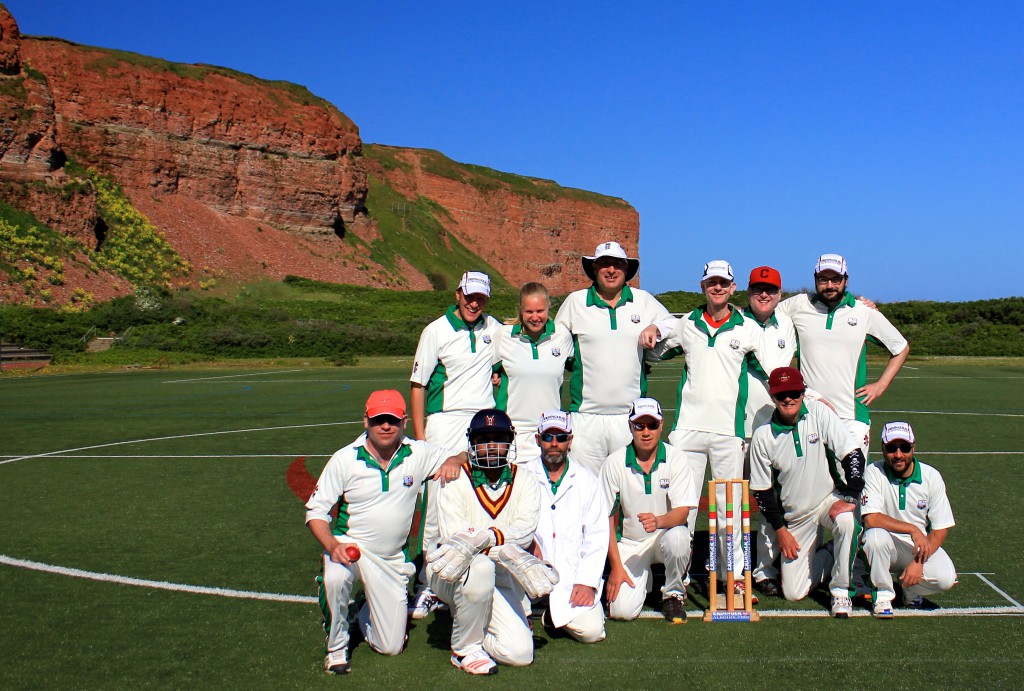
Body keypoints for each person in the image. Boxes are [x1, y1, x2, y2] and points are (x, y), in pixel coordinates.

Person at [305, 390, 466, 675]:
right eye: (378, 420)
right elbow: (316, 511)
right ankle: (336, 649)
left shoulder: (418, 452)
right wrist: (331, 546)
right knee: (335, 577)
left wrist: (454, 460)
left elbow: (462, 453)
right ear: (365, 420)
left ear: (404, 421)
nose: (385, 426)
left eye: (392, 419)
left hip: (391, 560)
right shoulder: (344, 459)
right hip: (349, 548)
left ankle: (363, 609)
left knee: (390, 647)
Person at [645, 260, 763, 601]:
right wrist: (648, 333)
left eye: (723, 282)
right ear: (702, 286)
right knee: (684, 506)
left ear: (732, 286)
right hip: (688, 431)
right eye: (712, 282)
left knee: (731, 509)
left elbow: (772, 371)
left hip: (728, 431)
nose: (718, 287)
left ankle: (735, 580)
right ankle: (676, 582)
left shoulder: (746, 328)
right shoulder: (688, 325)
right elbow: (654, 352)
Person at [426, 409, 556, 675]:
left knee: (520, 654)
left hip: (502, 577)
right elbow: (457, 541)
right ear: (472, 443)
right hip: (452, 573)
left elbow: (525, 531)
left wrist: (486, 537)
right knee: (480, 565)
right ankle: (463, 649)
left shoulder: (526, 480)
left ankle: (470, 619)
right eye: (484, 438)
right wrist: (508, 549)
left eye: (499, 438)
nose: (492, 445)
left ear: (510, 441)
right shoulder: (455, 478)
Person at [409, 270, 503, 619]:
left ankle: (474, 578)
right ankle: (427, 585)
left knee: (482, 498)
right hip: (444, 421)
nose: (473, 302)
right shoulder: (436, 330)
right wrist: (421, 439)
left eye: (480, 297)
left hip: (483, 422)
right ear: (458, 293)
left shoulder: (493, 328)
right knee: (436, 505)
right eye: (469, 295)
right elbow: (418, 384)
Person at [749, 367, 867, 618]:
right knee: (793, 592)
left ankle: (840, 591)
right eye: (782, 395)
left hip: (828, 500)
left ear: (803, 393)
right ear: (773, 397)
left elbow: (852, 453)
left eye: (794, 393)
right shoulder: (762, 436)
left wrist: (851, 496)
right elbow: (762, 492)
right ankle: (832, 552)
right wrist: (781, 532)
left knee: (846, 521)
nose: (788, 399)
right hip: (796, 516)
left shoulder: (819, 413)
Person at [554, 241, 673, 475]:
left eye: (617, 264)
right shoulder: (575, 302)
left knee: (630, 492)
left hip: (630, 418)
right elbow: (555, 347)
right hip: (586, 419)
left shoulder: (643, 300)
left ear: (626, 270)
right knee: (587, 492)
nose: (611, 270)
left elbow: (674, 323)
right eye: (604, 264)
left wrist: (656, 328)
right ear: (594, 269)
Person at [778, 253, 909, 453]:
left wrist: (880, 385)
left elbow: (900, 348)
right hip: (809, 413)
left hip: (852, 417)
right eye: (823, 279)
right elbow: (761, 313)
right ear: (815, 280)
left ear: (845, 280)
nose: (829, 285)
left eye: (836, 279)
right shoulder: (798, 305)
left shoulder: (863, 312)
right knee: (810, 482)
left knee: (851, 483)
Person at [601, 398, 697, 623]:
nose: (646, 432)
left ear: (661, 425)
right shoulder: (614, 463)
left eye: (652, 425)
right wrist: (615, 566)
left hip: (665, 534)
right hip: (631, 544)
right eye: (639, 425)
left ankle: (673, 594)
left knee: (680, 538)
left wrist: (659, 521)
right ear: (630, 426)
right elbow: (605, 518)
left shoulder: (677, 458)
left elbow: (682, 512)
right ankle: (647, 579)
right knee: (621, 612)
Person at [525, 410, 608, 642]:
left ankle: (550, 614)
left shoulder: (587, 481)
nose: (554, 444)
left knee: (592, 632)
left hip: (570, 576)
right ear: (537, 439)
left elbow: (597, 536)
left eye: (560, 438)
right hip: (527, 572)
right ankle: (525, 613)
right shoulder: (521, 476)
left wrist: (587, 582)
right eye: (548, 437)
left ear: (570, 441)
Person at [740, 266, 798, 598]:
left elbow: (787, 368)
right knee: (734, 501)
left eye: (771, 290)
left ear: (779, 294)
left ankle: (763, 568)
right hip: (740, 429)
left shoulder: (786, 323)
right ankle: (731, 568)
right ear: (748, 291)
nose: (765, 295)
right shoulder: (735, 321)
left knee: (770, 501)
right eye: (758, 289)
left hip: (776, 429)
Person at [861, 421, 957, 618]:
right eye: (891, 448)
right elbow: (871, 519)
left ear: (913, 447)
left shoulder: (932, 476)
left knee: (945, 578)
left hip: (916, 547)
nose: (898, 455)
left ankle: (910, 589)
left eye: (904, 448)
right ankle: (883, 597)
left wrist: (918, 561)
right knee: (875, 537)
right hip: (885, 544)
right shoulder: (873, 472)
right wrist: (912, 529)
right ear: (882, 448)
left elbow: (940, 529)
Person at [492, 282, 574, 465]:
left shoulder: (562, 336)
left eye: (540, 311)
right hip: (512, 434)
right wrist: (495, 375)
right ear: (521, 310)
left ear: (548, 309)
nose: (535, 317)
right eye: (529, 311)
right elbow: (486, 371)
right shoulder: (503, 336)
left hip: (550, 434)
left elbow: (578, 369)